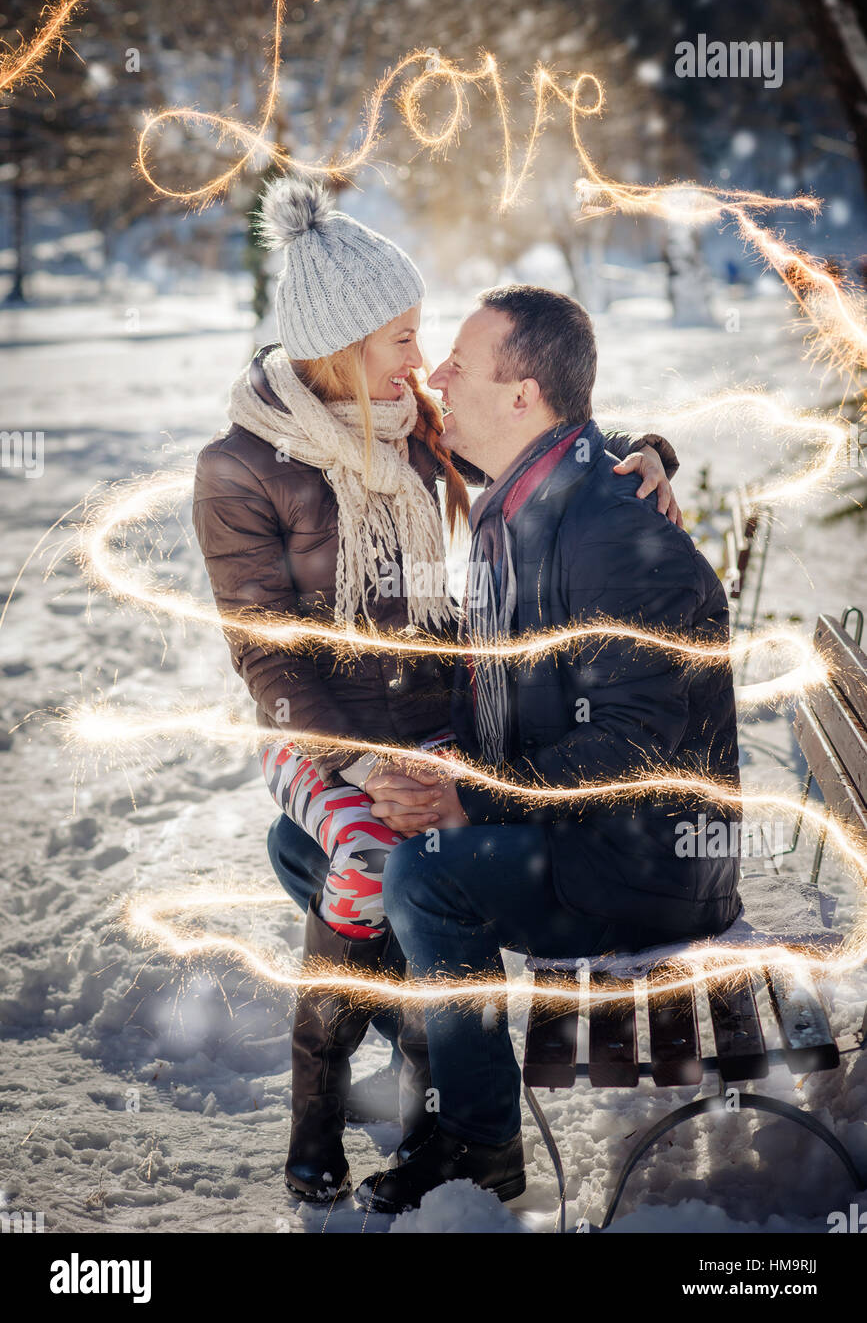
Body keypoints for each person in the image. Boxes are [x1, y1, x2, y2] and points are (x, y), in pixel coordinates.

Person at [192, 175, 682, 1205]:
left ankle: (439, 1084)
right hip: (324, 734)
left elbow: (542, 421)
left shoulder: (410, 420)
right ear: (338, 348)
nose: (420, 361)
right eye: (398, 338)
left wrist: (644, 451)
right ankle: (327, 1107)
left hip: (433, 723)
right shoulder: (239, 470)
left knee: (332, 864)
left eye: (420, 335)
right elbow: (264, 655)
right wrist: (359, 761)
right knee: (358, 851)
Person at [354, 284, 741, 1214]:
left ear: (523, 396)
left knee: (424, 874)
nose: (434, 377)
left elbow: (631, 748)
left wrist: (470, 800)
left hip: (641, 862)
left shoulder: (604, 530)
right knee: (319, 838)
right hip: (577, 829)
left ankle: (475, 1139)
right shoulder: (524, 494)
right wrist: (416, 772)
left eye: (458, 363)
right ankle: (436, 1071)